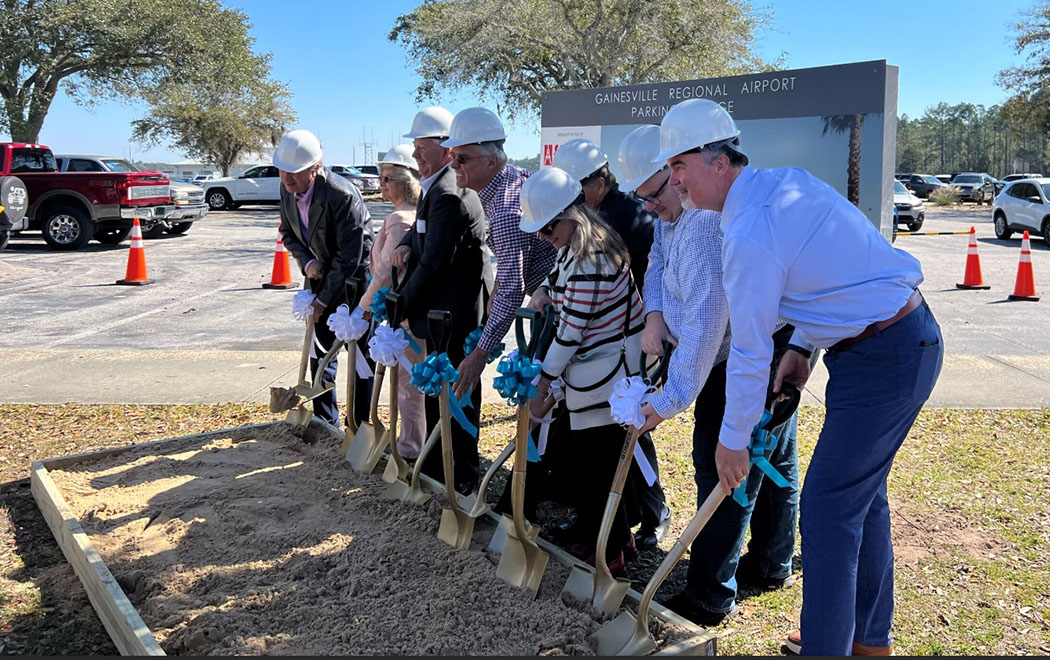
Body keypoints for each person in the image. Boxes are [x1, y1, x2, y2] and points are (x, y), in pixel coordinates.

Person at [655, 98, 943, 655]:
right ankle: (865, 639)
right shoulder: (780, 186)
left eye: (679, 167)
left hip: (889, 354)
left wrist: (732, 441)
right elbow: (833, 272)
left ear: (718, 161)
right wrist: (805, 347)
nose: (675, 183)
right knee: (861, 499)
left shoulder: (748, 230)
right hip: (882, 345)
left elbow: (749, 350)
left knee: (829, 507)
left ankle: (828, 645)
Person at [619, 124, 803, 627]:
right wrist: (654, 313)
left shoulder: (702, 223)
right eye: (644, 199)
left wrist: (668, 399)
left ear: (677, 175)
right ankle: (770, 562)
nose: (652, 207)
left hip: (750, 347)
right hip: (733, 345)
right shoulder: (670, 209)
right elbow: (655, 261)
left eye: (658, 192)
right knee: (777, 455)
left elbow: (704, 327)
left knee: (722, 459)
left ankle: (708, 596)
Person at [518, 166, 645, 572]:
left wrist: (544, 380)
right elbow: (555, 281)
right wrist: (541, 290)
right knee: (598, 462)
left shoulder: (592, 256)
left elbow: (572, 331)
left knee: (599, 463)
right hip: (593, 367)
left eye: (548, 228)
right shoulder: (574, 247)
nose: (543, 237)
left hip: (607, 371)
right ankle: (613, 536)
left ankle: (609, 553)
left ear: (571, 215)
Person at [551, 136, 667, 547]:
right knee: (603, 442)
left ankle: (653, 512)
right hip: (600, 353)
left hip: (628, 350)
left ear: (599, 181)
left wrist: (648, 330)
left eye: (577, 187)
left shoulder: (632, 218)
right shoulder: (584, 222)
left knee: (631, 433)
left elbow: (650, 280)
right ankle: (611, 519)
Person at [392, 106, 488, 494]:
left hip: (453, 313)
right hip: (441, 313)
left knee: (457, 392)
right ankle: (440, 461)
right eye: (414, 146)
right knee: (440, 390)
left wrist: (401, 303)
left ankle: (460, 471)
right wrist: (403, 243)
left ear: (446, 149)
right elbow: (420, 233)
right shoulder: (437, 185)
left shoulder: (449, 193)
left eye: (422, 147)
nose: (416, 155)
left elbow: (434, 261)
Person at [441, 108, 557, 403]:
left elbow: (511, 287)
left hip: (564, 310)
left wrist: (481, 352)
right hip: (552, 299)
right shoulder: (510, 181)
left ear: (492, 160)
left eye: (462, 158)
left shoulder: (505, 209)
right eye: (452, 156)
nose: (454, 164)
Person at [276, 129, 372, 427]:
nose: (287, 178)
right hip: (321, 280)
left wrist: (322, 301)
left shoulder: (342, 196)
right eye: (283, 171)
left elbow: (349, 257)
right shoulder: (287, 189)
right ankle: (323, 421)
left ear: (316, 168)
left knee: (360, 359)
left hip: (355, 286)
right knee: (321, 355)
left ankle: (357, 424)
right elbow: (288, 233)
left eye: (295, 172)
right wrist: (307, 263)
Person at [356, 144, 426, 460]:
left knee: (409, 388)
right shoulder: (409, 215)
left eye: (387, 179)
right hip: (405, 312)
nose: (382, 185)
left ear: (406, 181)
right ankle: (412, 446)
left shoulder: (400, 219)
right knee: (409, 385)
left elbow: (385, 270)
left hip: (408, 316)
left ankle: (411, 451)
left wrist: (363, 308)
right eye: (381, 178)